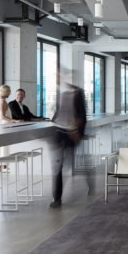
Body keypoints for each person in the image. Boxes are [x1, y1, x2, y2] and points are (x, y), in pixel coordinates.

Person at [48, 69, 89, 208]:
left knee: (73, 161)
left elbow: (82, 114)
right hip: (59, 131)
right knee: (58, 166)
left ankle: (89, 180)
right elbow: (58, 110)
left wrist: (77, 132)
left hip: (72, 133)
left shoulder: (78, 92)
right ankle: (57, 198)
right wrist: (52, 121)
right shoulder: (60, 92)